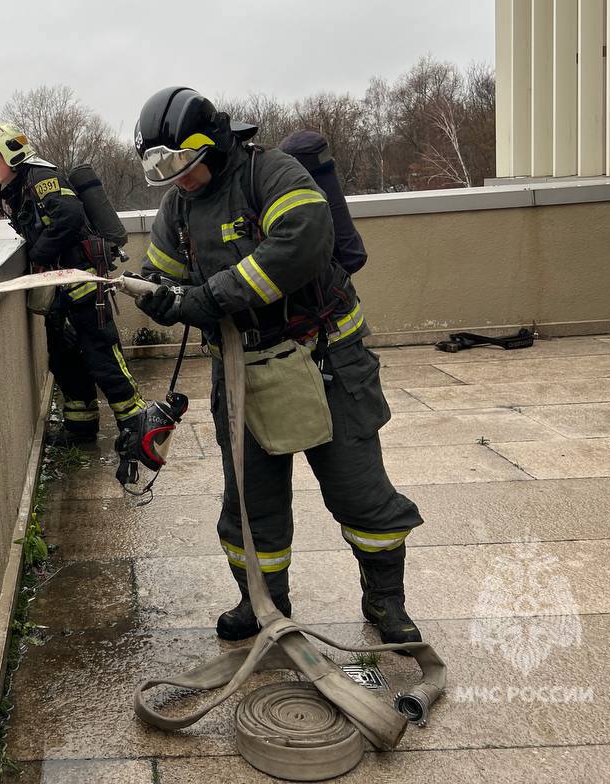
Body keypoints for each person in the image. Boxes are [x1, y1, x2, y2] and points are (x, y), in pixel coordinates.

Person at [131, 87, 423, 645]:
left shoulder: (272, 174)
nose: (178, 181)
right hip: (242, 373)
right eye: (167, 172)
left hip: (325, 360)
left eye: (184, 167)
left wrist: (212, 297)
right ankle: (262, 603)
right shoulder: (180, 206)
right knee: (250, 502)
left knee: (357, 490)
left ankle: (385, 601)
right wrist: (159, 296)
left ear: (210, 146)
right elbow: (164, 271)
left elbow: (303, 242)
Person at [0, 122, 146, 448]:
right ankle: (80, 431)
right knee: (66, 360)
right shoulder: (19, 187)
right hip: (60, 292)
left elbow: (69, 215)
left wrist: (38, 254)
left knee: (102, 358)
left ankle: (138, 427)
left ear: (12, 153)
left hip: (80, 287)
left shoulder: (40, 177)